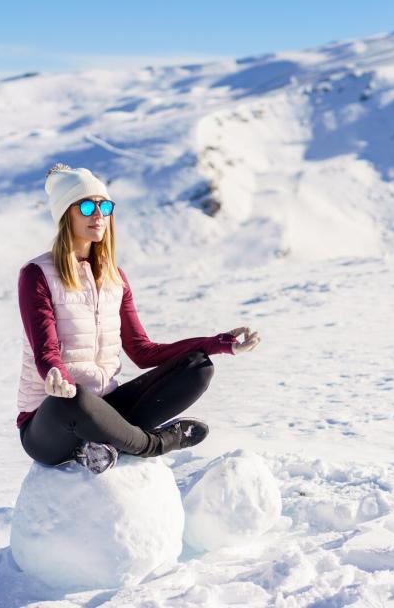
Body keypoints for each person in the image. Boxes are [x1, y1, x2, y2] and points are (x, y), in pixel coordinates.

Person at [17, 162, 260, 474]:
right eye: (87, 206)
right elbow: (45, 350)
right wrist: (56, 376)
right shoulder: (37, 275)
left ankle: (105, 444)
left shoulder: (115, 278)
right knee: (72, 399)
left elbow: (144, 351)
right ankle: (156, 443)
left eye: (104, 205)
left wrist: (219, 344)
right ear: (66, 215)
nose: (99, 215)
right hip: (50, 422)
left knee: (197, 367)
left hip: (106, 407)